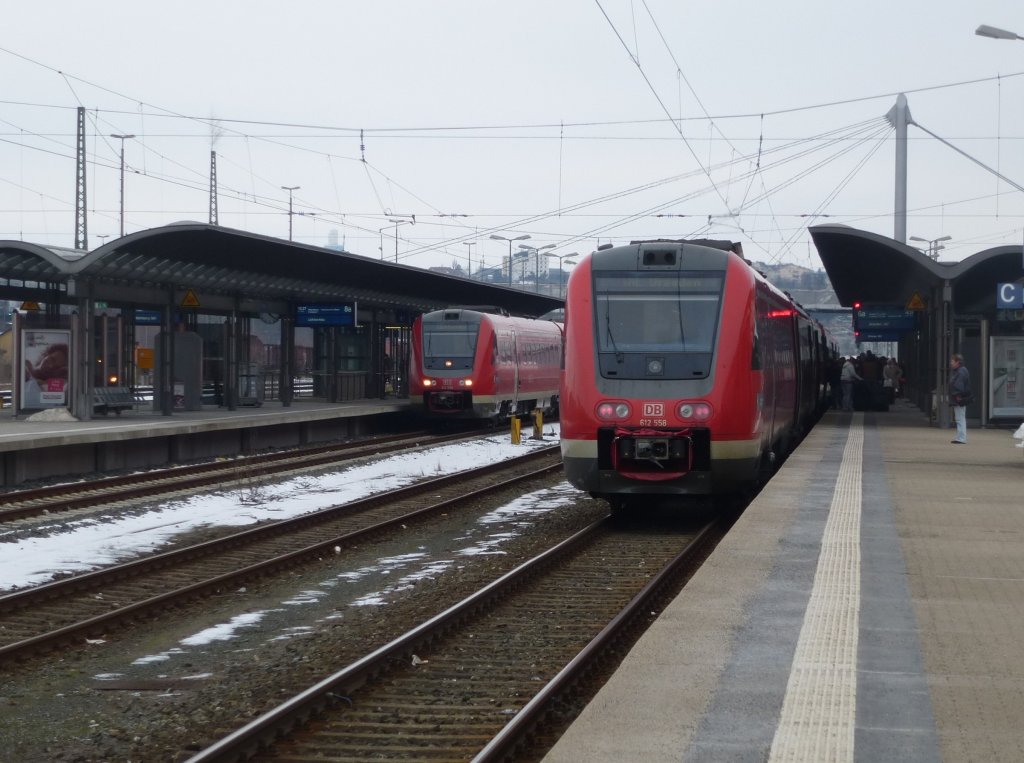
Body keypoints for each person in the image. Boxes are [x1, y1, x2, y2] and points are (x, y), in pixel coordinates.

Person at [948, 353, 971, 444]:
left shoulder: (960, 372)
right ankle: (960, 437)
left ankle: (961, 438)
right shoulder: (962, 371)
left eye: (952, 361)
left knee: (960, 418)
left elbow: (958, 386)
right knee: (960, 417)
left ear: (958, 362)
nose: (951, 363)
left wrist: (957, 395)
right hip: (960, 397)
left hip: (959, 398)